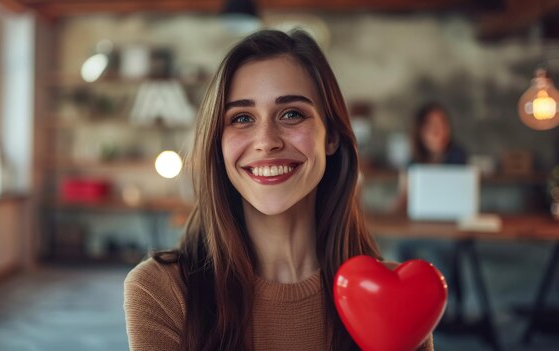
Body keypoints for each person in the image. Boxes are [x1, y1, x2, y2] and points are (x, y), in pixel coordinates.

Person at [124, 30, 434, 351]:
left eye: (291, 114)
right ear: (217, 142)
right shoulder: (161, 290)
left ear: (331, 138)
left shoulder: (399, 296)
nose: (267, 141)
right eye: (242, 118)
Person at [392, 102, 467, 325]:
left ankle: (444, 311)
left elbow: (462, 197)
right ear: (420, 131)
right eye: (431, 125)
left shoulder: (457, 156)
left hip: (450, 228)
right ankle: (410, 307)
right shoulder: (412, 161)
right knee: (402, 248)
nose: (438, 130)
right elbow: (402, 201)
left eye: (442, 124)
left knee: (445, 252)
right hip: (419, 228)